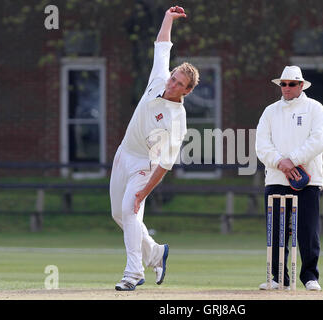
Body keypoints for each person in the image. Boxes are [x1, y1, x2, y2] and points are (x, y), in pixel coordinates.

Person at [110, 6, 199, 291]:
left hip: (145, 165)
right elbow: (162, 45)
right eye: (173, 77)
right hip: (124, 153)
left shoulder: (177, 121)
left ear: (186, 91)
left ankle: (133, 273)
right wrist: (167, 18)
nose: (171, 84)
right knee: (118, 214)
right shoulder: (160, 77)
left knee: (130, 209)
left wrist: (143, 193)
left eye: (179, 84)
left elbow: (165, 164)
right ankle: (156, 253)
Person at [256, 66, 323, 291]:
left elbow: (318, 140)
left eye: (291, 84)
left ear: (301, 85)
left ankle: (309, 276)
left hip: (307, 179)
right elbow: (261, 144)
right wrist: (281, 162)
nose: (286, 88)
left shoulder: (314, 108)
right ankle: (279, 278)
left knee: (307, 230)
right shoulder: (270, 111)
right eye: (283, 84)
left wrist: (293, 160)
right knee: (277, 231)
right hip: (277, 178)